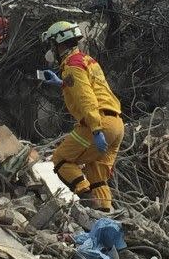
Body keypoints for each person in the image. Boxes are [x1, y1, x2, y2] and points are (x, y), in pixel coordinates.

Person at [41, 21, 124, 211]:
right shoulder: (86, 60)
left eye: (52, 44)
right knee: (97, 173)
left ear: (58, 43)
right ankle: (104, 215)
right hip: (116, 124)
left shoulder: (72, 66)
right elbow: (87, 86)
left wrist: (96, 129)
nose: (51, 50)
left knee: (61, 159)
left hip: (99, 123)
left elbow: (86, 99)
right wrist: (60, 82)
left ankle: (88, 200)